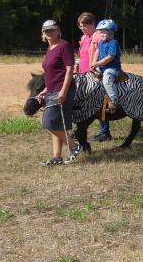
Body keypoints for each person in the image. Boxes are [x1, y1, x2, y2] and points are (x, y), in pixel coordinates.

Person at [36, 20, 81, 165]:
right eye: (46, 31)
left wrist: (63, 91)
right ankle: (57, 157)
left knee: (48, 123)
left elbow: (69, 69)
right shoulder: (50, 49)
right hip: (51, 90)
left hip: (62, 89)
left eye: (52, 30)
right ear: (43, 34)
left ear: (58, 31)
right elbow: (51, 73)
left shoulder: (64, 46)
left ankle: (74, 146)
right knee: (56, 125)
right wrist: (44, 90)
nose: (49, 33)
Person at [77, 12, 111, 141]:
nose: (82, 28)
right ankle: (80, 129)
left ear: (92, 24)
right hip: (83, 75)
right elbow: (83, 55)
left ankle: (105, 132)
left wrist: (98, 69)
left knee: (99, 103)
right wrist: (78, 64)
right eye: (80, 26)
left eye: (84, 25)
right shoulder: (84, 37)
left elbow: (104, 53)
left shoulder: (98, 36)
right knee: (84, 104)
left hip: (95, 75)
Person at [90, 19, 122, 113]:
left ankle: (113, 101)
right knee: (91, 77)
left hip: (112, 69)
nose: (105, 36)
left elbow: (110, 57)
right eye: (102, 33)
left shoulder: (113, 43)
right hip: (102, 67)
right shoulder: (101, 42)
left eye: (108, 34)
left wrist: (97, 63)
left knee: (107, 78)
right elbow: (97, 51)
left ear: (112, 33)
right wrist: (94, 63)